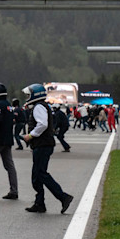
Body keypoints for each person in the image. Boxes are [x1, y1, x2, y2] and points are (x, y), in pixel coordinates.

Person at [21, 83, 74, 214]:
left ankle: (63, 197)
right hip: (43, 144)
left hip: (43, 144)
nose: (27, 97)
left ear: (35, 94)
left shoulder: (39, 107)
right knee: (36, 175)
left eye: (29, 94)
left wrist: (30, 135)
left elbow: (42, 124)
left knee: (41, 174)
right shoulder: (42, 106)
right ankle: (39, 203)